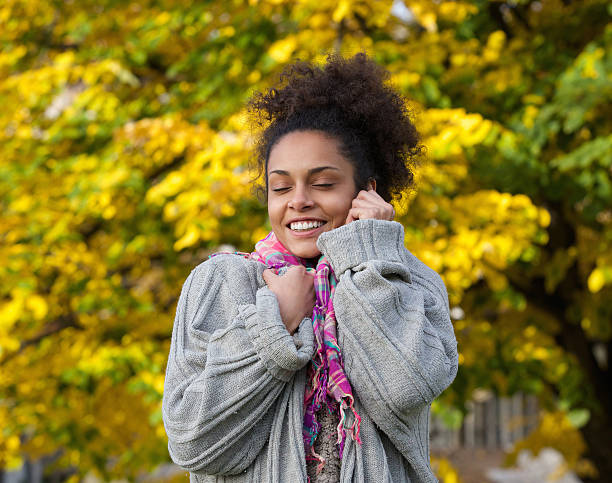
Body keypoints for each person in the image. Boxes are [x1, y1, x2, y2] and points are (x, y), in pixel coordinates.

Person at [162, 52, 458, 483]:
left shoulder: (408, 280)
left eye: (322, 183)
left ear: (367, 190)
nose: (298, 200)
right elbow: (194, 444)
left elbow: (405, 388)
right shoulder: (219, 283)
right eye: (281, 186)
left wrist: (369, 256)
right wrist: (274, 325)